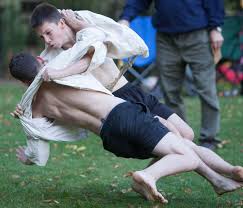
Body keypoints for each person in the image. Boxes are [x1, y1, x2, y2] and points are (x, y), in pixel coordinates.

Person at [9, 53, 243, 204]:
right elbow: (92, 51)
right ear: (41, 62)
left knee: (183, 144)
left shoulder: (34, 107)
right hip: (123, 115)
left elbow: (39, 152)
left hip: (111, 139)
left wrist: (27, 156)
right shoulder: (61, 69)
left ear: (22, 83)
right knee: (186, 155)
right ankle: (147, 176)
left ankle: (223, 177)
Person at [29, 3, 194, 141]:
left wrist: (84, 26)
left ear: (62, 23)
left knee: (187, 135)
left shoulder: (86, 26)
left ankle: (147, 175)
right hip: (115, 106)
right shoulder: (52, 60)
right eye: (42, 37)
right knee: (174, 140)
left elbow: (110, 40)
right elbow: (42, 93)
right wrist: (24, 106)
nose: (47, 40)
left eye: (48, 33)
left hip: (130, 90)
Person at [119, 0, 225, 150]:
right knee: (170, 92)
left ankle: (209, 138)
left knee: (206, 90)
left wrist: (216, 28)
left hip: (198, 36)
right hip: (165, 39)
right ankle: (181, 137)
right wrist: (126, 18)